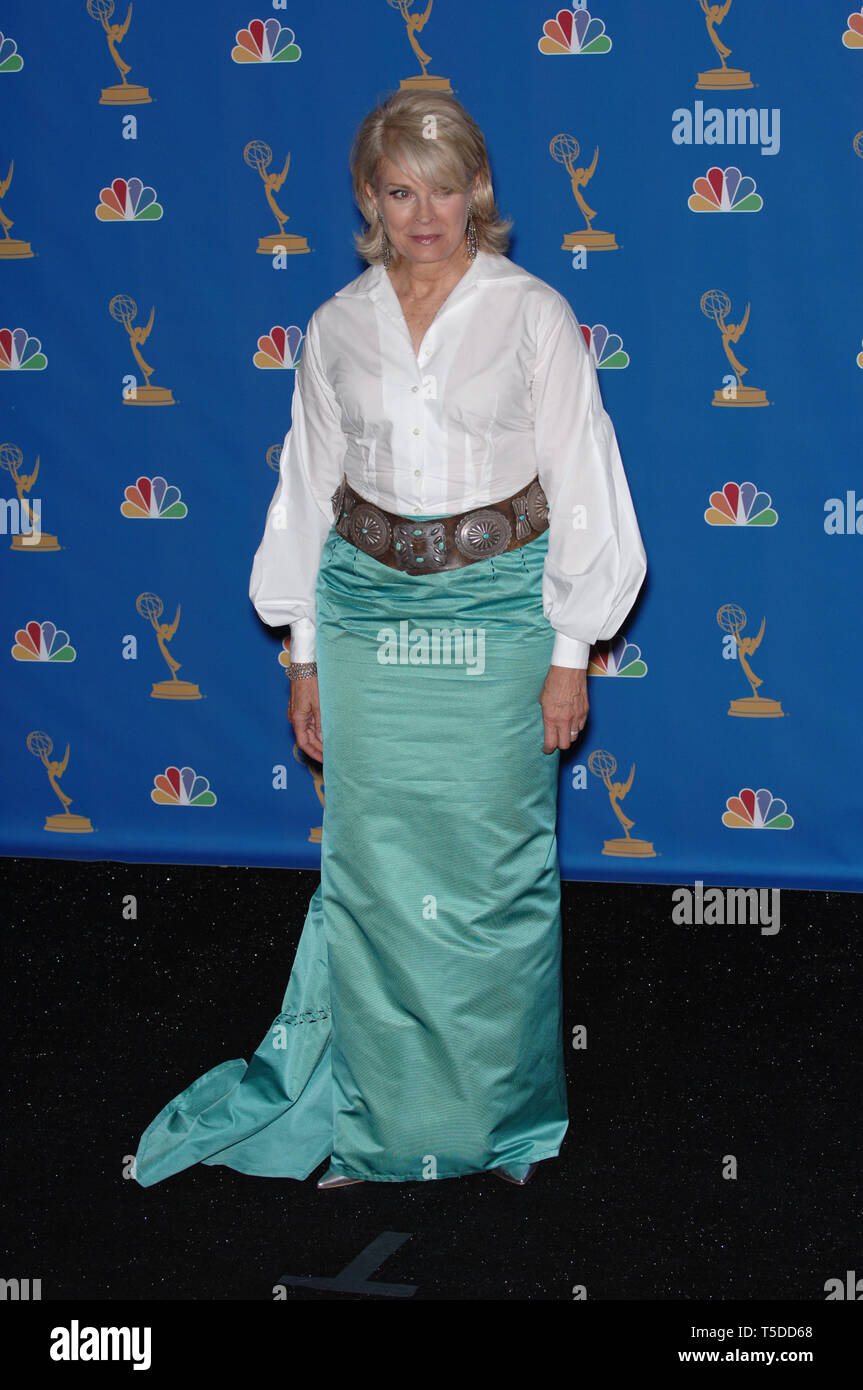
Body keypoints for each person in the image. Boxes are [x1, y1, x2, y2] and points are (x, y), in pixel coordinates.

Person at [132, 89, 646, 1191]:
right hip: (364, 616)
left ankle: (495, 1123)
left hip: (500, 616)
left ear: (478, 193)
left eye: (445, 188)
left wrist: (570, 651)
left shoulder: (532, 315)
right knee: (369, 874)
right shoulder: (335, 326)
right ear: (369, 198)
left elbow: (585, 483)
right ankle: (376, 1124)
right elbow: (307, 490)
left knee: (493, 872)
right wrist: (305, 654)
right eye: (400, 190)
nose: (425, 214)